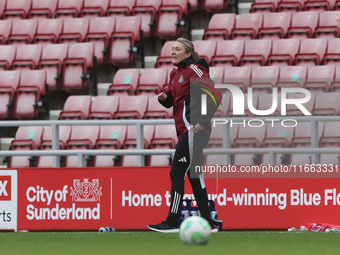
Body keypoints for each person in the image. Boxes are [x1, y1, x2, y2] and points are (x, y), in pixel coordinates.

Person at [148, 37, 221, 233]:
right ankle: (208, 223)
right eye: (172, 48)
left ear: (188, 53)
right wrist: (164, 99)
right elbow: (173, 100)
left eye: (177, 49)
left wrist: (203, 121)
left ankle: (172, 221)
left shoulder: (194, 70)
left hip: (194, 130)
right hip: (185, 130)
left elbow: (214, 96)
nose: (172, 51)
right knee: (194, 175)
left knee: (176, 172)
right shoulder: (175, 73)